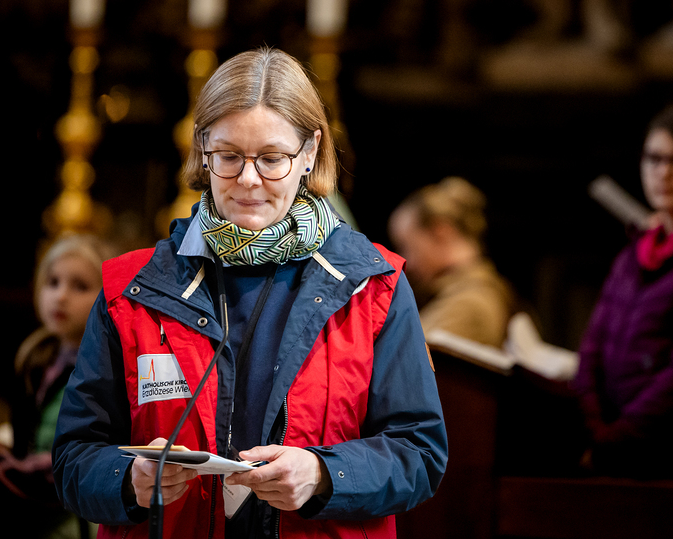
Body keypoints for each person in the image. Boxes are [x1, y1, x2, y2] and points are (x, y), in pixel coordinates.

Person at [52, 47, 447, 539]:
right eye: (229, 156)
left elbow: (420, 454)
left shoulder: (374, 287)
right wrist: (128, 480)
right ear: (203, 150)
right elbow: (72, 458)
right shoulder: (132, 291)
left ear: (309, 153)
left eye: (272, 158)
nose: (248, 178)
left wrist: (324, 474)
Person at [573, 104, 673, 479]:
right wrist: (594, 428)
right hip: (612, 442)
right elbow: (591, 349)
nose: (664, 172)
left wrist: (617, 439)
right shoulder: (634, 253)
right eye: (654, 159)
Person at [0, 234, 112, 537]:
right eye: (53, 282)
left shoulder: (104, 368)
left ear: (110, 295)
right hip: (31, 505)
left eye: (80, 286)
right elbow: (33, 439)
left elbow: (77, 460)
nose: (61, 297)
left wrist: (1, 463)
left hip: (72, 518)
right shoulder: (38, 357)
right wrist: (1, 449)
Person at [388, 177, 515, 348]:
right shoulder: (463, 295)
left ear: (441, 232)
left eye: (407, 247)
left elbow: (399, 360)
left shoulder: (470, 303)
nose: (406, 262)